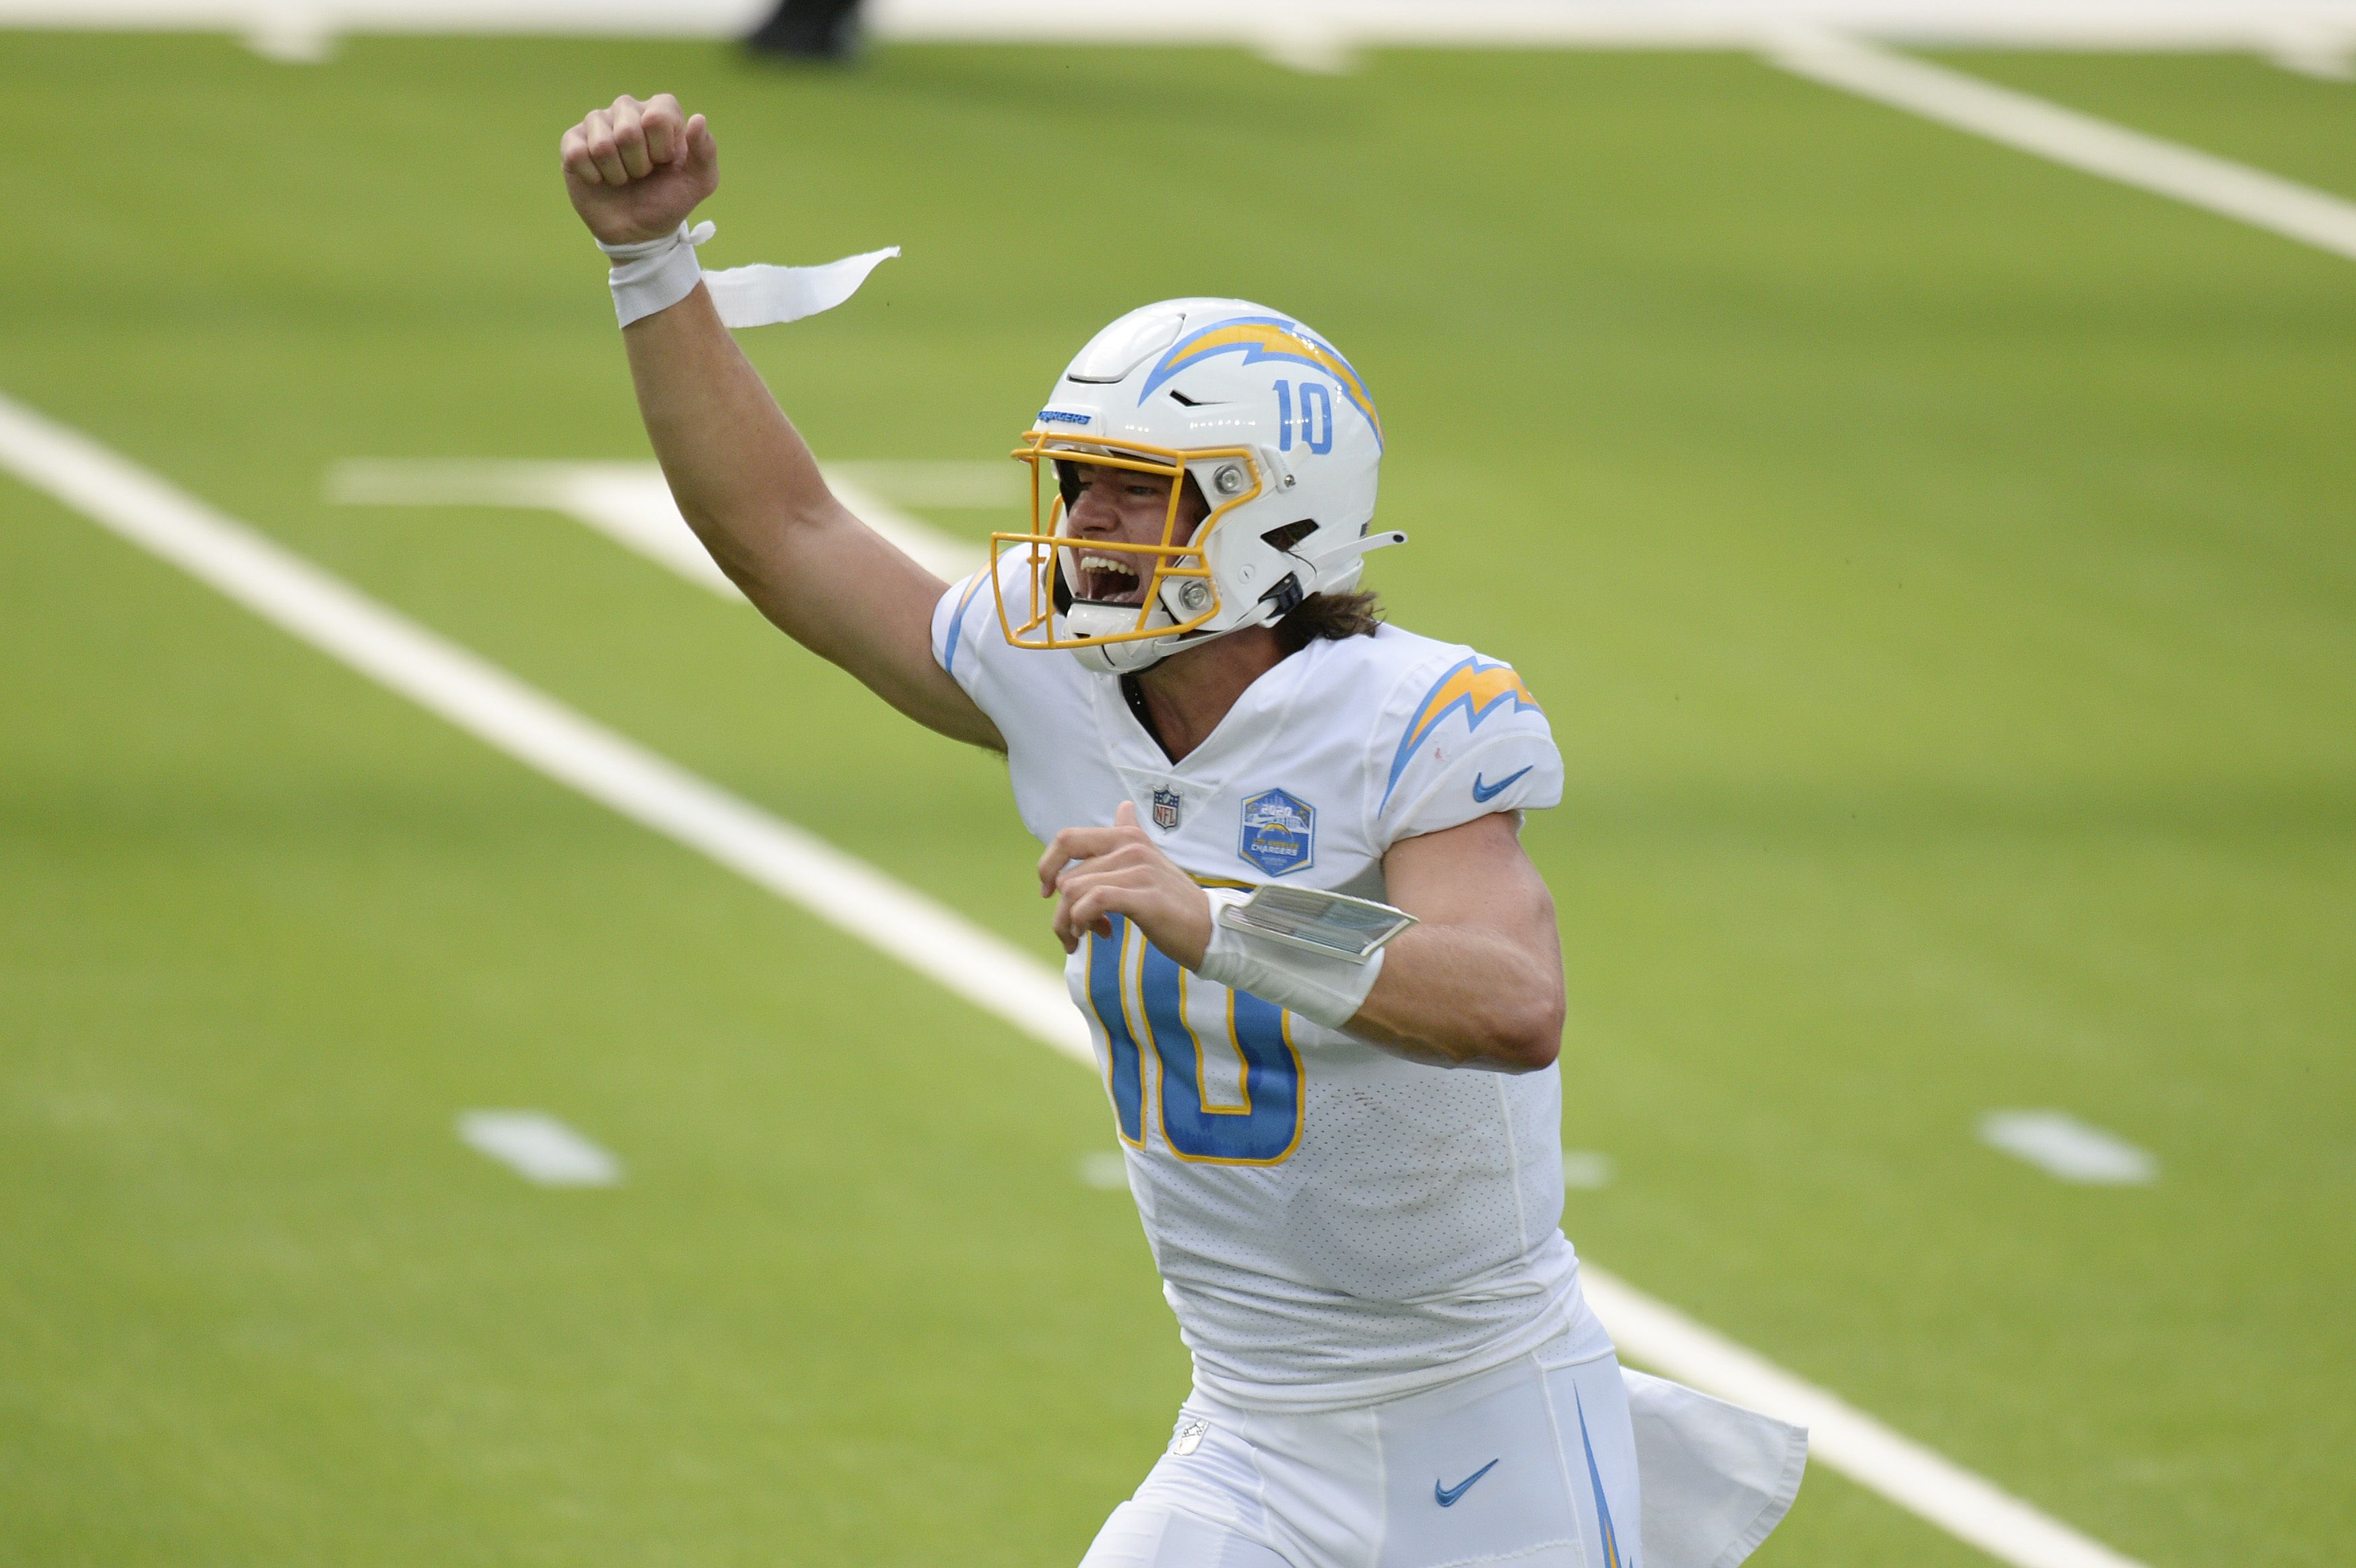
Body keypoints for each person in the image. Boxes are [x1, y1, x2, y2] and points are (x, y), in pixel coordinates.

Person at [559, 92, 1802, 1568]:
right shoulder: (1056, 671)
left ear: (1268, 519)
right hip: (1253, 1429)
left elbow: (1516, 1005)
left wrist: (1221, 916)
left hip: (1478, 1428)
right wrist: (652, 266)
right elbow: (791, 534)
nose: (1078, 524)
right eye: (1076, 483)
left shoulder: (1417, 712)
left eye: (1126, 495)